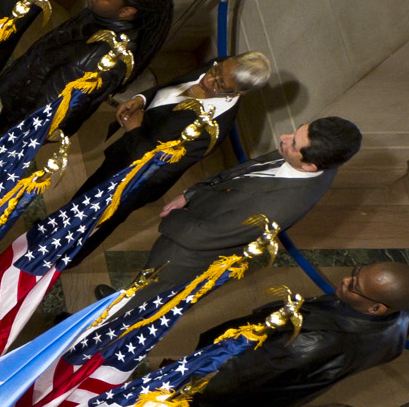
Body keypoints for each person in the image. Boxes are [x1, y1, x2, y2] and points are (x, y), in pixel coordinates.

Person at [116, 262, 409, 407]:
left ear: (377, 308)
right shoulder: (402, 319)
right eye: (356, 272)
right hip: (265, 387)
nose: (344, 279)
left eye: (355, 286)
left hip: (230, 388)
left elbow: (233, 377)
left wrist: (186, 376)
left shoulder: (310, 343)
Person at [66, 51, 272, 265]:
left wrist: (134, 131)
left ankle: (66, 256)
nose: (208, 79)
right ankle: (57, 227)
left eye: (219, 84)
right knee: (87, 192)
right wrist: (141, 98)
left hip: (136, 181)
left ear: (238, 92)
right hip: (123, 154)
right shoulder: (221, 67)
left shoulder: (213, 130)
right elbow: (173, 86)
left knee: (100, 220)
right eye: (215, 70)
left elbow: (160, 170)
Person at [139, 117, 363, 291]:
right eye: (297, 130)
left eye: (293, 142)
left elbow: (204, 236)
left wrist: (172, 216)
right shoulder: (302, 157)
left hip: (186, 257)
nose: (284, 137)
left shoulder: (276, 208)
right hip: (196, 219)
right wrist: (191, 193)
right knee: (143, 281)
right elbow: (242, 171)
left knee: (145, 297)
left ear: (309, 167)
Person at [0, 0, 174, 154]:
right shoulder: (104, 14)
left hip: (28, 119)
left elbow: (52, 109)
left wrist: (17, 135)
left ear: (127, 11)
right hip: (24, 98)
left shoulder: (103, 57)